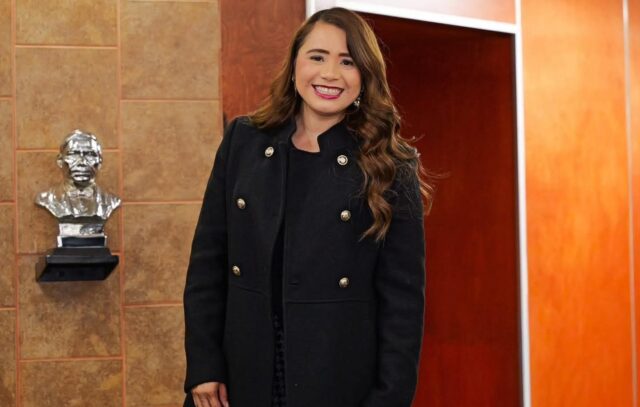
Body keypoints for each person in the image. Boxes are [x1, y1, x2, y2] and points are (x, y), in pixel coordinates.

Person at [183, 7, 431, 407]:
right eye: (317, 56)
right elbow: (208, 264)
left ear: (364, 76)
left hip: (337, 379)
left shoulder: (390, 165)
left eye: (347, 62)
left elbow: (403, 306)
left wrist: (389, 400)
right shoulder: (244, 141)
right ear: (295, 64)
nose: (330, 74)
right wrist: (204, 364)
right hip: (241, 373)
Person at [35, 129, 121, 220]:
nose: (82, 162)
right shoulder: (46, 199)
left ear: (99, 162)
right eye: (73, 154)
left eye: (90, 155)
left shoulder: (111, 201)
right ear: (60, 161)